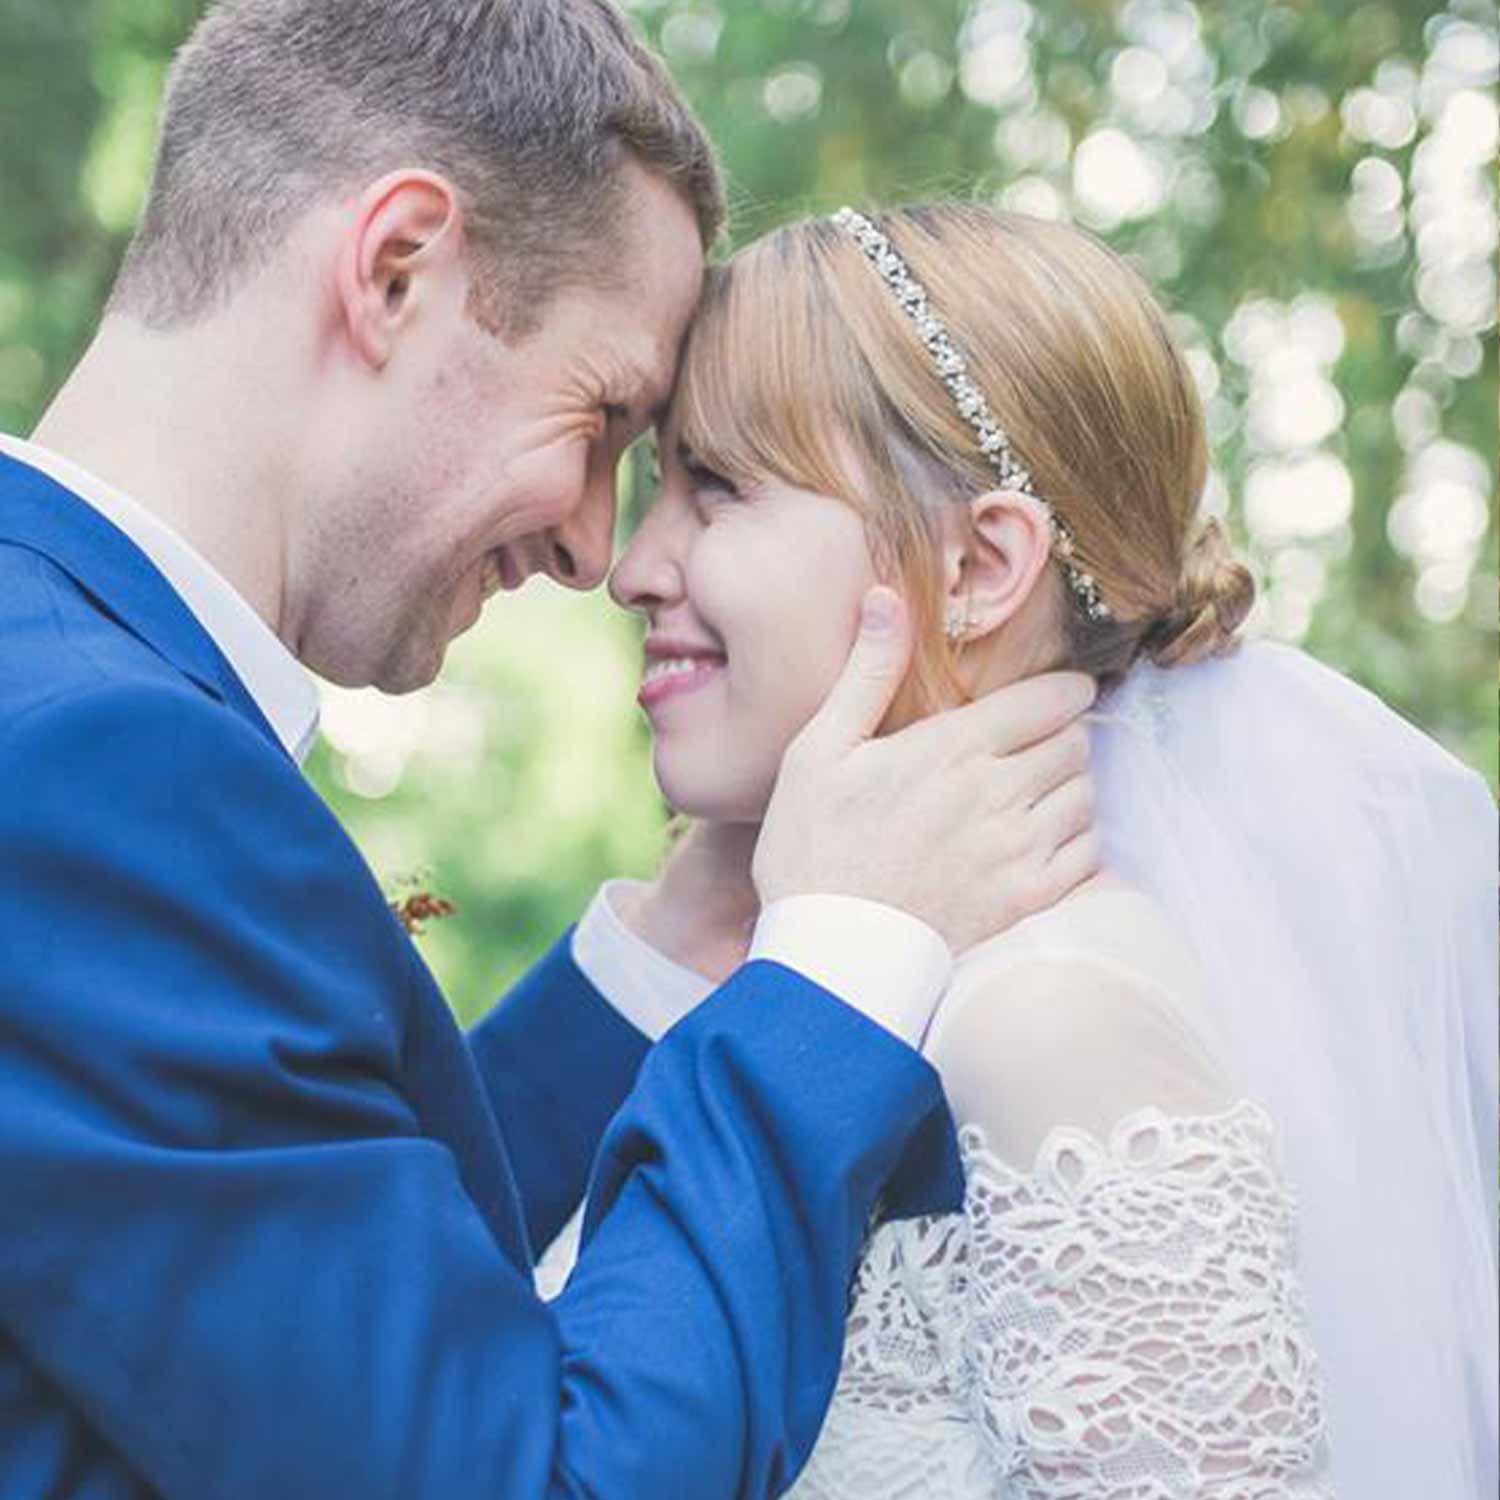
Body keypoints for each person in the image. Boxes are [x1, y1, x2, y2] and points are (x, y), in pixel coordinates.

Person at [0, 6, 1103, 1497]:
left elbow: (317, 1274)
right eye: (603, 420)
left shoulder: (62, 686)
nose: (597, 546)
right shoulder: (104, 775)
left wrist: (682, 941)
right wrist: (842, 955)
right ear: (397, 268)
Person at [539, 203, 1500, 1497]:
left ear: (982, 564)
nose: (634, 565)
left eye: (715, 486)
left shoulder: (1052, 1021)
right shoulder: (810, 972)